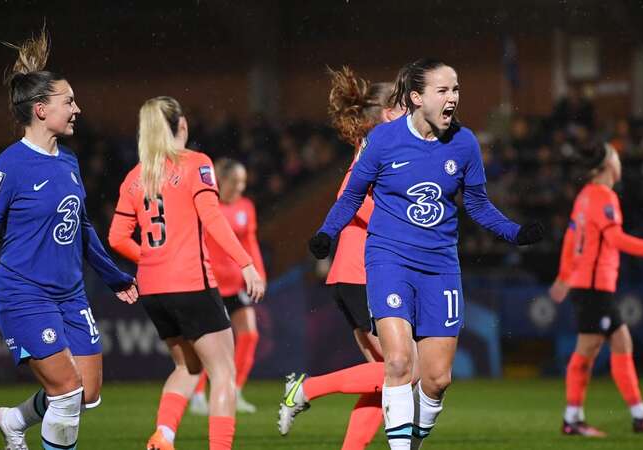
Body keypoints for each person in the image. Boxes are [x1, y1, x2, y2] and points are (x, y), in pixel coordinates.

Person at [308, 59, 543, 450]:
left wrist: (515, 233)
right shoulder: (383, 140)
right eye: (443, 90)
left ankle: (410, 442)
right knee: (398, 362)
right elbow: (352, 194)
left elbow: (479, 204)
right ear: (417, 98)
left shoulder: (464, 143)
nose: (452, 98)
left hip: (440, 267)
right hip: (388, 260)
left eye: (456, 89)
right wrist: (326, 234)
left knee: (436, 379)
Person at [0, 29, 138, 450]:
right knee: (66, 393)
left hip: (71, 294)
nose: (77, 109)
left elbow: (81, 228)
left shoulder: (68, 162)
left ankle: (14, 418)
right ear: (40, 109)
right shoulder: (7, 166)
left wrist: (115, 277)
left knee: (87, 393)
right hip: (23, 295)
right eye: (69, 101)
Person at [108, 96, 265, 450]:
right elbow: (213, 218)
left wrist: (151, 256)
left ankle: (164, 433)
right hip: (191, 282)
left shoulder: (135, 177)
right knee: (223, 372)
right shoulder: (196, 164)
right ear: (182, 126)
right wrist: (246, 263)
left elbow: (116, 237)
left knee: (188, 368)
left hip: (152, 288)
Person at [277, 66, 406, 449]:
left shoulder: (377, 144)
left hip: (357, 270)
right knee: (404, 370)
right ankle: (305, 389)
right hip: (362, 271)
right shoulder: (379, 143)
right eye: (406, 104)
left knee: (385, 374)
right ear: (388, 111)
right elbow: (348, 198)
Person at [549, 142, 643, 437]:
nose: (620, 163)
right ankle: (573, 419)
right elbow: (617, 240)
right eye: (617, 157)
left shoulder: (584, 197)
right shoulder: (603, 197)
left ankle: (639, 415)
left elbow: (571, 239)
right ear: (609, 165)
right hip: (594, 287)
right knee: (588, 350)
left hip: (589, 285)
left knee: (618, 344)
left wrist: (564, 275)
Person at [190, 158, 266, 415]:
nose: (240, 187)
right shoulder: (206, 206)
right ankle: (198, 394)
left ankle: (234, 390)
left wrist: (259, 272)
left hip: (237, 284)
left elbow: (251, 242)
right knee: (207, 344)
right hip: (210, 283)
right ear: (221, 180)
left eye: (243, 182)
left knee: (250, 334)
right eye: (235, 181)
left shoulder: (247, 207)